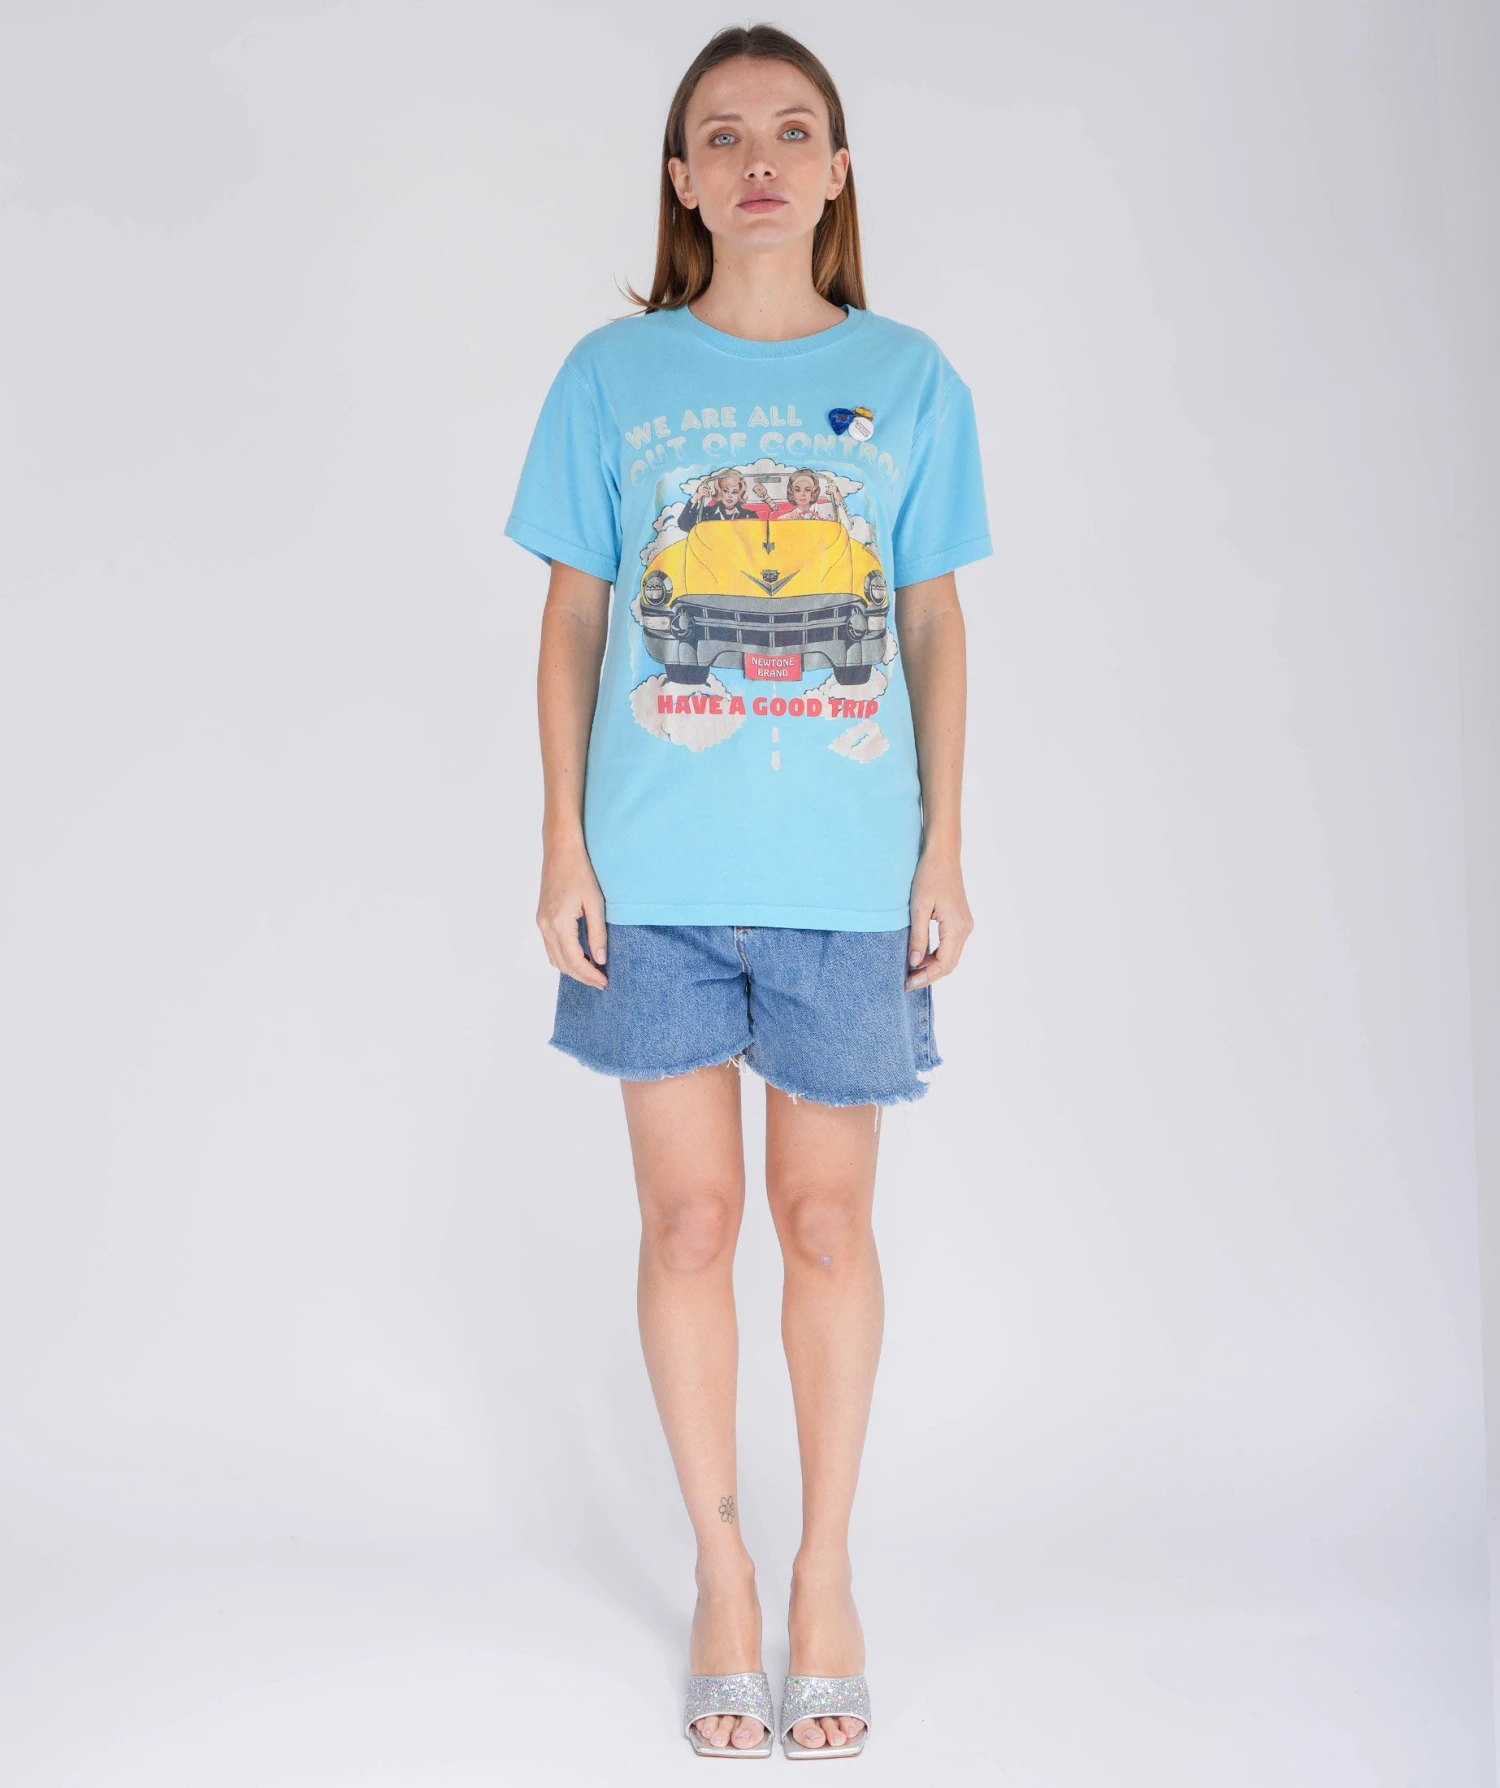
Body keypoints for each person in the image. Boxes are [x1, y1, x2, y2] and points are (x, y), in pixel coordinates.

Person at [506, 22, 989, 1761]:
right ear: (683, 178)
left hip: (846, 871)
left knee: (827, 1224)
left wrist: (943, 847)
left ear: (838, 172)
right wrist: (561, 841)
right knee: (691, 1226)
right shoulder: (610, 378)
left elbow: (930, 619)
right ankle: (721, 1570)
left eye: (794, 130)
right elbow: (575, 618)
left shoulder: (911, 379)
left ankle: (823, 1574)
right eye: (723, 135)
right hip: (653, 869)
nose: (760, 158)